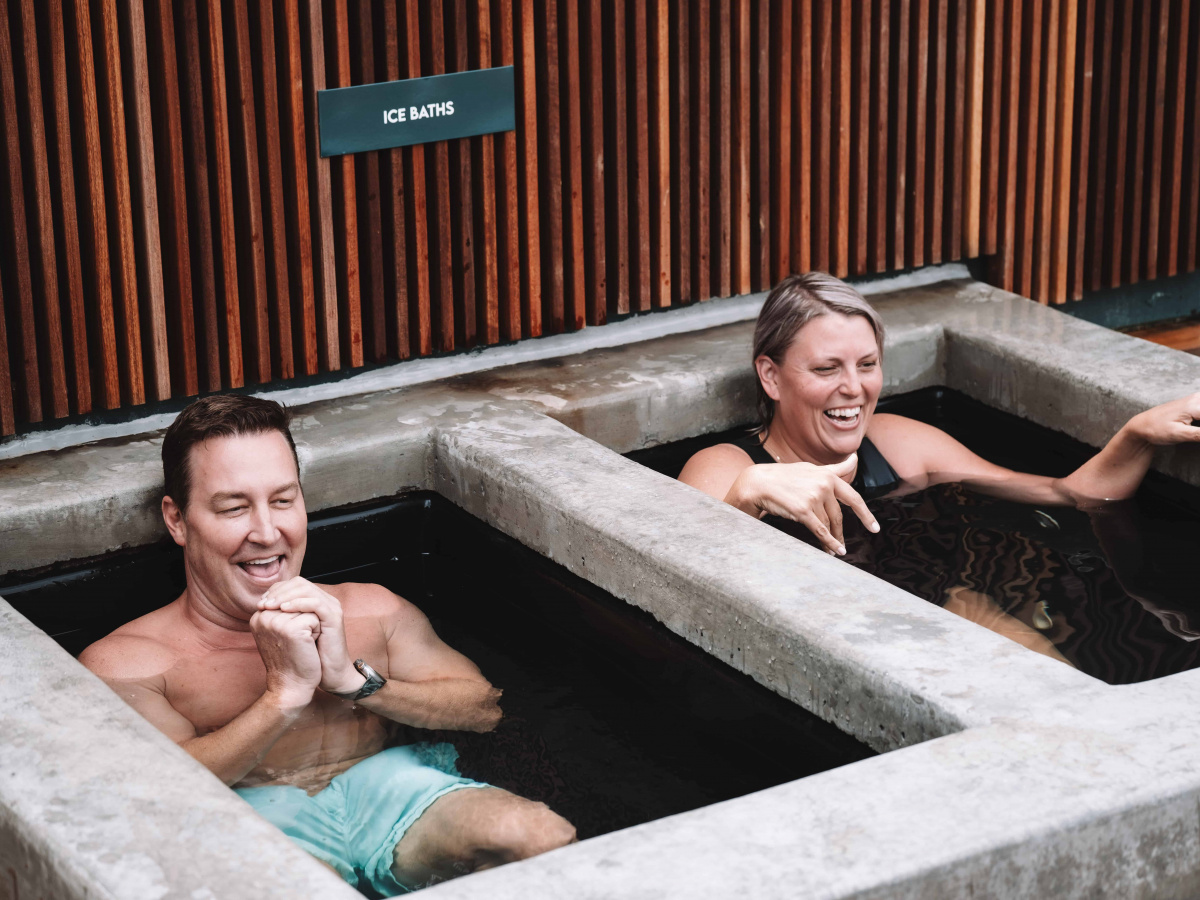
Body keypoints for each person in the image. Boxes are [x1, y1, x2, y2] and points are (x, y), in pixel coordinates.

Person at [80, 395, 575, 895]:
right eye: (234, 508)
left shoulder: (373, 611)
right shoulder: (131, 664)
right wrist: (285, 695)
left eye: (282, 500)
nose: (267, 532)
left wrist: (354, 683)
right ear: (178, 520)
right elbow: (157, 795)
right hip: (255, 812)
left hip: (387, 792)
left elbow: (483, 709)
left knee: (545, 838)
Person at [678, 272, 1200, 658]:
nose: (853, 389)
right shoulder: (727, 466)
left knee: (1062, 698)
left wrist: (1137, 434)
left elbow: (1068, 494)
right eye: (825, 368)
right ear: (770, 377)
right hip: (805, 645)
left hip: (934, 610)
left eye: (867, 364)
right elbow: (677, 593)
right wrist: (745, 497)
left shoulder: (901, 445)